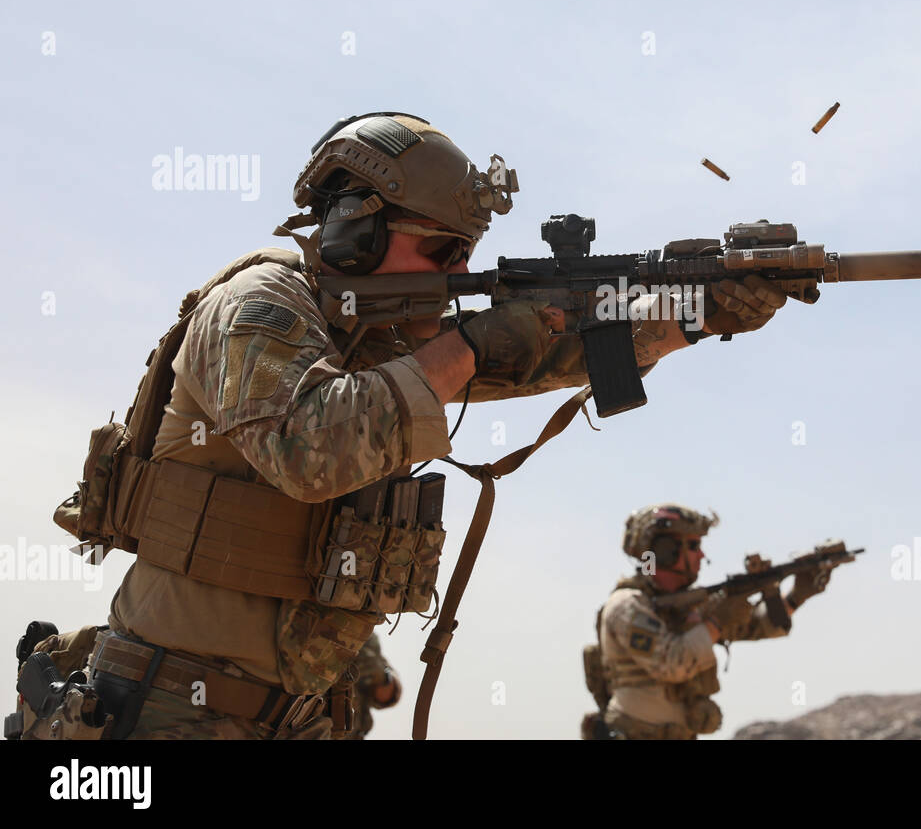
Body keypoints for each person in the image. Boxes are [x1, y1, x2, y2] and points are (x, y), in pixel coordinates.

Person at [19, 112, 787, 740]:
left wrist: (701, 309)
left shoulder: (381, 337)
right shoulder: (260, 305)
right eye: (445, 249)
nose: (455, 273)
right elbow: (309, 449)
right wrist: (472, 342)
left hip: (290, 719)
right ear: (358, 226)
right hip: (163, 712)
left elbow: (548, 357)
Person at [584, 504, 831, 740]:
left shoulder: (686, 606)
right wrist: (717, 620)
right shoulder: (627, 606)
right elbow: (672, 663)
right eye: (693, 545)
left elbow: (759, 625)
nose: (702, 554)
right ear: (664, 549)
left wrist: (797, 596)